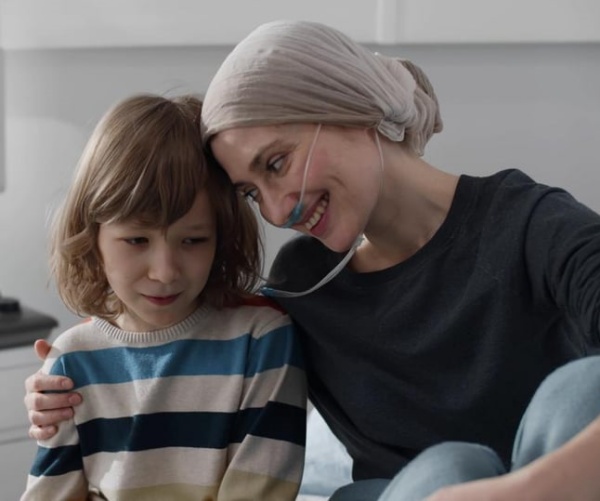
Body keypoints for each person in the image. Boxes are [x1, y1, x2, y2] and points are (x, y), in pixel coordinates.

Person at [24, 20, 600, 500]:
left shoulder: (529, 223)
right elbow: (184, 330)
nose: (276, 211)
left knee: (582, 389)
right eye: (251, 193)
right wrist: (68, 378)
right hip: (403, 491)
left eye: (275, 163)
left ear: (347, 107)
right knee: (445, 469)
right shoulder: (302, 283)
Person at [21, 93, 306, 501]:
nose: (165, 272)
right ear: (92, 237)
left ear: (221, 238)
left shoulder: (261, 341)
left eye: (193, 240)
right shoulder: (71, 359)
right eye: (136, 239)